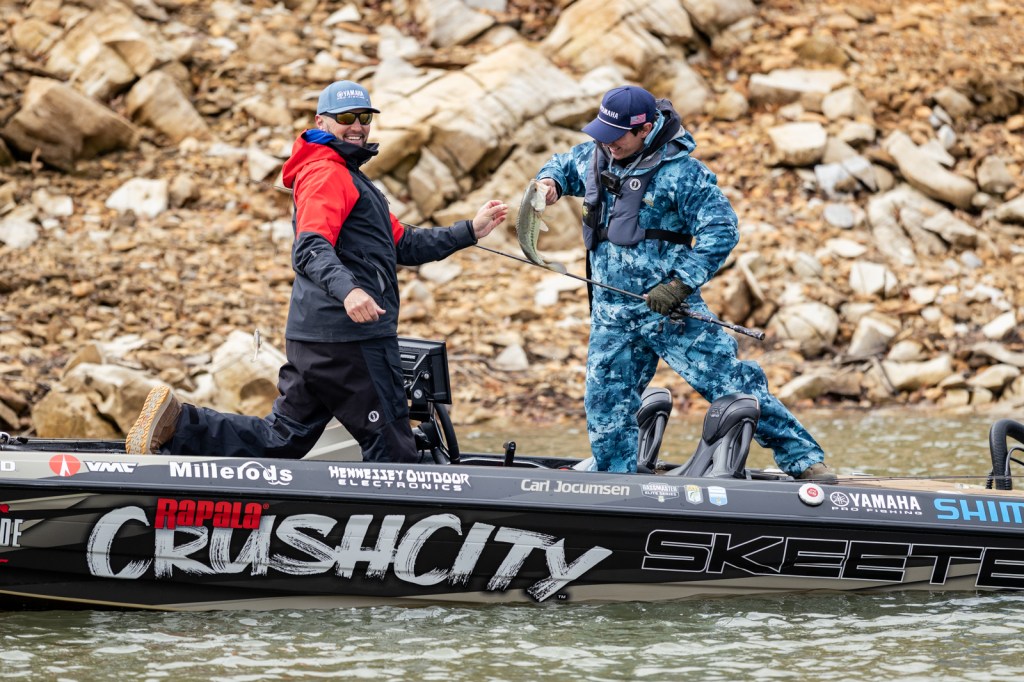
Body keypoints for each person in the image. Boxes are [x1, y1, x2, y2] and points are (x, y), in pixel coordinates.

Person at [126, 80, 508, 462]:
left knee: (282, 438)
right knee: (394, 450)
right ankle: (404, 506)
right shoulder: (327, 173)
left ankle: (178, 425)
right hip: (351, 340)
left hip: (314, 340)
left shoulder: (347, 175)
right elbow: (310, 247)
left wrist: (469, 231)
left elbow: (403, 243)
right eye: (346, 117)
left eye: (364, 118)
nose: (357, 126)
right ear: (321, 122)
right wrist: (349, 291)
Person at [535, 85, 835, 481]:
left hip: (671, 311)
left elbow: (721, 230)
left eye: (617, 136)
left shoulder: (683, 174)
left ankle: (804, 461)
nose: (608, 143)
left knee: (728, 383)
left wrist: (679, 285)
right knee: (605, 403)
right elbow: (559, 165)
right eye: (603, 134)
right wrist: (549, 183)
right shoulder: (596, 156)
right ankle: (615, 482)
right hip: (611, 315)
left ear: (644, 129)